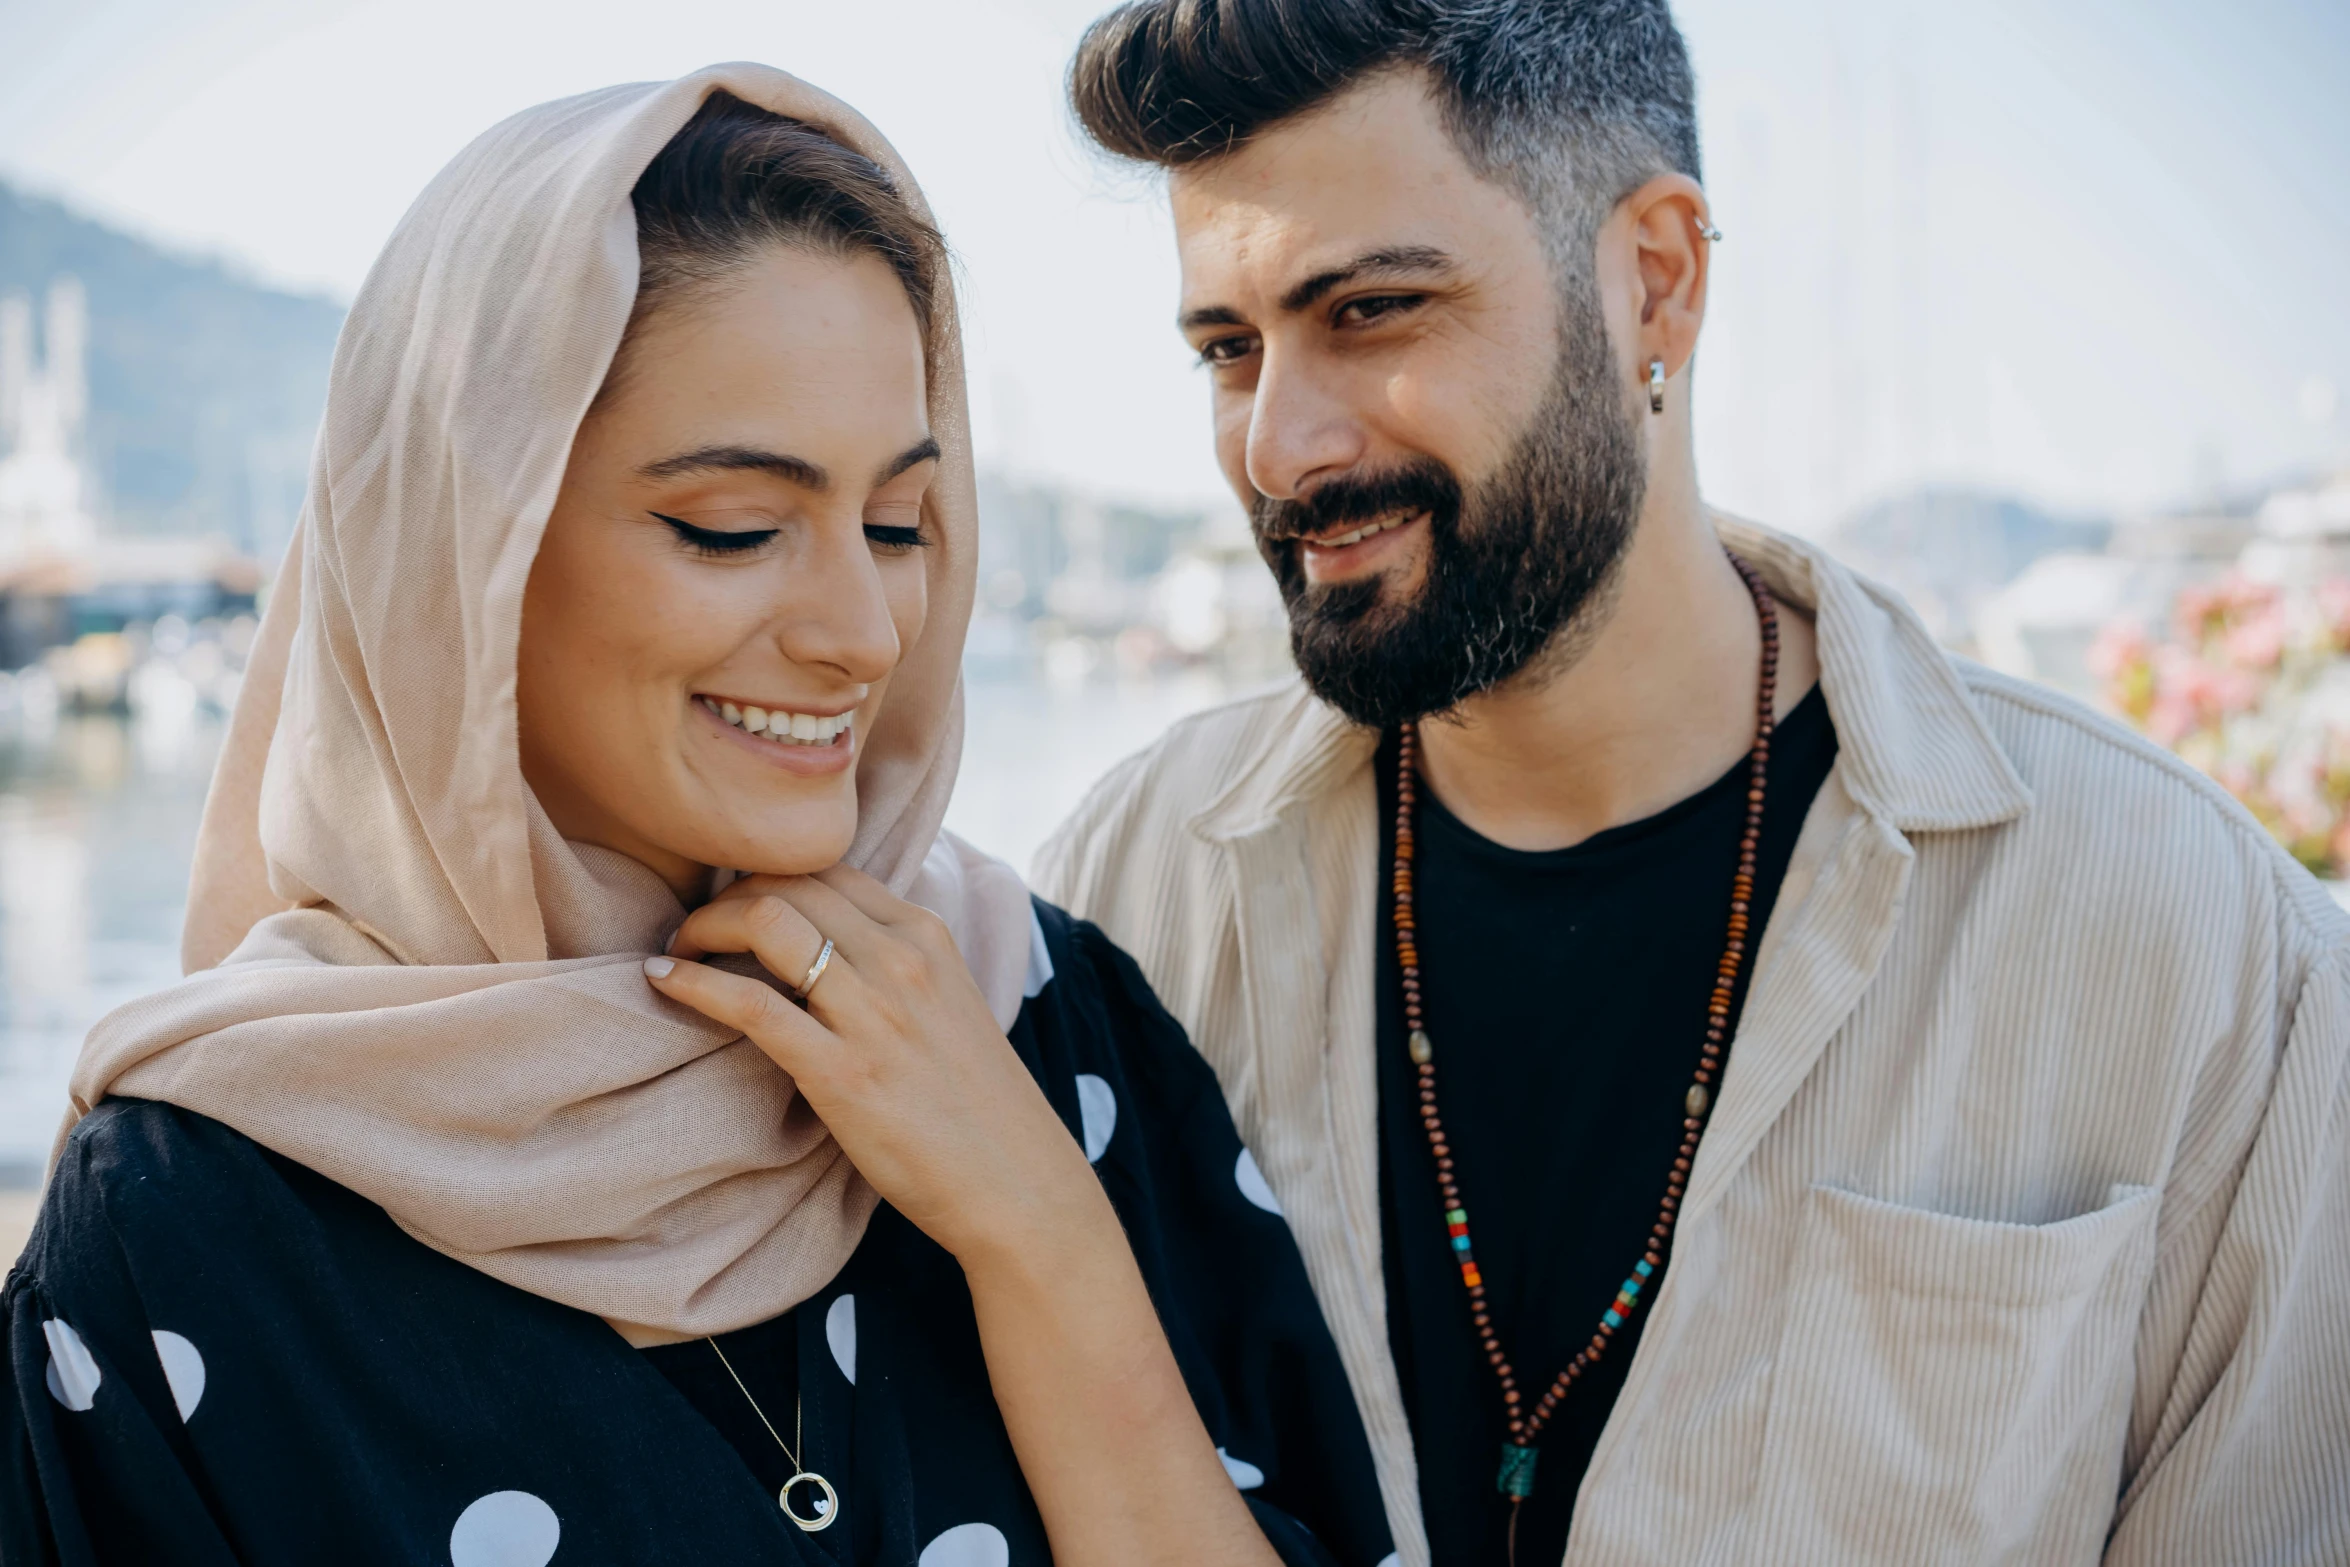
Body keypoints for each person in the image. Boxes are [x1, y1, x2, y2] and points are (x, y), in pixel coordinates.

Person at [1, 67, 1396, 1567]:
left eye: (898, 525)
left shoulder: (1039, 1016)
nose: (864, 629)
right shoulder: (182, 1232)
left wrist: (1038, 1235)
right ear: (467, 554)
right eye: (733, 527)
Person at [1036, 3, 2350, 1565]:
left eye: (1374, 309)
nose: (1276, 442)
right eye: (1226, 348)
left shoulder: (2196, 944)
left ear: (1654, 278)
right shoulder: (1123, 896)